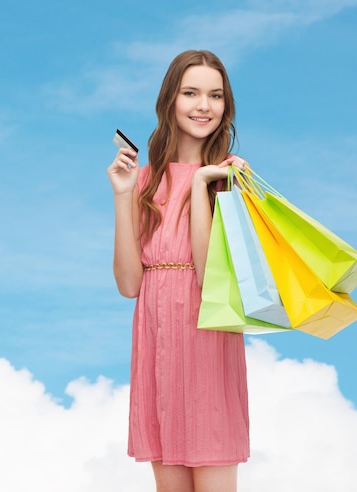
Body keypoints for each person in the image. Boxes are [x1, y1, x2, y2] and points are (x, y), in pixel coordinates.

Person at [107, 50, 250, 492]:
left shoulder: (231, 179)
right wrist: (123, 194)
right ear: (170, 100)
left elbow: (210, 279)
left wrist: (204, 183)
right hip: (157, 343)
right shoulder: (144, 180)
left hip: (206, 341)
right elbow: (130, 283)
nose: (203, 105)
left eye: (215, 95)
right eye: (191, 93)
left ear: (226, 107)